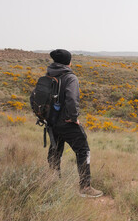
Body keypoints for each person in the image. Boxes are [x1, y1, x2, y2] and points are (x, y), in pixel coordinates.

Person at [46, 49, 103, 198]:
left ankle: (52, 181)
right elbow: (72, 98)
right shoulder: (70, 77)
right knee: (83, 150)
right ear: (68, 62)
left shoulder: (48, 75)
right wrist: (73, 117)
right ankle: (85, 187)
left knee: (55, 151)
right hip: (66, 122)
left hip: (51, 122)